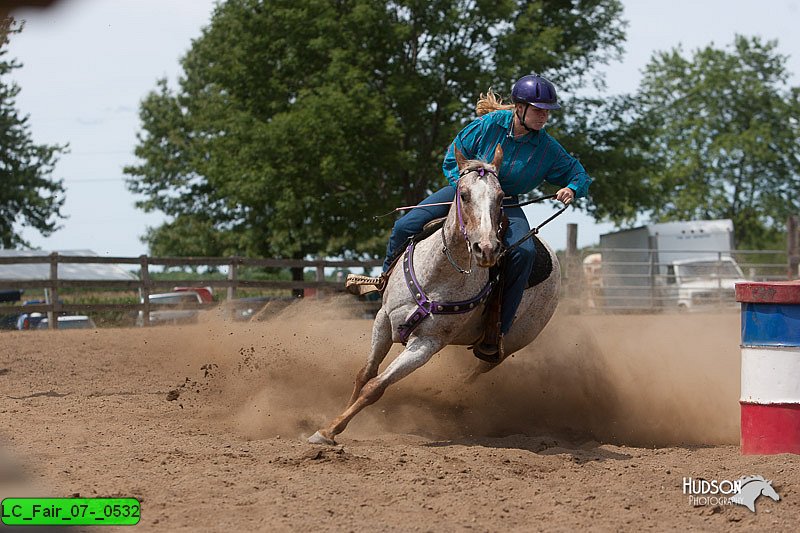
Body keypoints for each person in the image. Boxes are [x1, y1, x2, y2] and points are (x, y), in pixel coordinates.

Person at [349, 74, 593, 357]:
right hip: (466, 193)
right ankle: (384, 280)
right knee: (406, 224)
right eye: (538, 110)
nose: (544, 116)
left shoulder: (548, 148)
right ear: (519, 107)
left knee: (523, 253)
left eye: (547, 111)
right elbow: (453, 157)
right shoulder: (488, 125)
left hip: (506, 202)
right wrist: (465, 188)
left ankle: (497, 328)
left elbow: (579, 173)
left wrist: (572, 188)